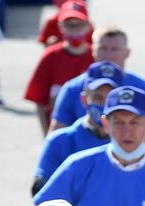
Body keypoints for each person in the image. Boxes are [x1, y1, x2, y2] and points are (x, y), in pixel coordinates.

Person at [48, 26, 145, 158]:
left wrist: (141, 162)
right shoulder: (72, 89)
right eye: (103, 49)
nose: (108, 55)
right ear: (93, 51)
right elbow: (56, 139)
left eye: (114, 49)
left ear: (127, 52)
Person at [33, 62, 126, 196]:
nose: (104, 106)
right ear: (84, 99)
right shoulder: (59, 141)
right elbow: (41, 194)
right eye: (98, 97)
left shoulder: (138, 145)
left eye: (111, 98)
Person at [24, 2, 93, 133]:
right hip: (60, 131)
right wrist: (47, 135)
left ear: (88, 26)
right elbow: (39, 100)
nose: (75, 29)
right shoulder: (50, 56)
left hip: (90, 135)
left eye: (79, 24)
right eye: (69, 25)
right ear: (60, 27)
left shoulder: (96, 57)